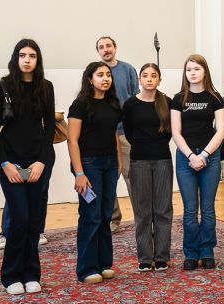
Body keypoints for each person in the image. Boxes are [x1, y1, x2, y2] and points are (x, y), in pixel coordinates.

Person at [0, 39, 56, 295]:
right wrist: (5, 162)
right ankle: (11, 275)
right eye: (22, 55)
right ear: (16, 59)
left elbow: (49, 126)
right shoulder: (3, 85)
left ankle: (31, 273)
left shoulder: (46, 87)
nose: (27, 59)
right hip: (10, 162)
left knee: (34, 220)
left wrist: (41, 160)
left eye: (32, 55)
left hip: (39, 160)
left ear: (38, 60)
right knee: (19, 218)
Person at [67, 60, 124, 284]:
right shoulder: (80, 104)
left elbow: (114, 136)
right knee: (91, 214)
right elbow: (72, 140)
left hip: (110, 162)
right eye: (100, 74)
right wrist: (79, 172)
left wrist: (118, 162)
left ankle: (104, 263)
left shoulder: (113, 104)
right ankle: (87, 268)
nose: (105, 78)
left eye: (108, 74)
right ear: (90, 79)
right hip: (89, 164)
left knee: (105, 213)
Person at [170, 54, 224, 270]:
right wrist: (191, 156)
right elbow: (175, 132)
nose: (192, 73)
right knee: (190, 210)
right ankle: (191, 253)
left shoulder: (215, 97)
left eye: (196, 69)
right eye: (188, 70)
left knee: (209, 209)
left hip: (209, 158)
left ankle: (207, 251)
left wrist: (203, 155)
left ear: (205, 71)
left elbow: (221, 130)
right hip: (186, 158)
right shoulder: (178, 98)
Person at [122, 62, 174, 270]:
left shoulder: (167, 103)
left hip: (162, 160)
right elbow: (129, 133)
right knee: (142, 211)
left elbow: (171, 131)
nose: (150, 79)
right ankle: (144, 258)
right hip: (139, 161)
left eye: (154, 75)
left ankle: (161, 256)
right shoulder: (130, 105)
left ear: (159, 79)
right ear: (139, 80)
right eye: (145, 75)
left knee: (162, 210)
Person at [95, 35, 140, 223]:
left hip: (125, 134)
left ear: (115, 47)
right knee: (108, 179)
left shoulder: (128, 69)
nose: (106, 49)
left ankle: (142, 219)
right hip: (104, 135)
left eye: (108, 45)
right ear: (98, 51)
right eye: (101, 47)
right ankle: (113, 219)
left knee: (133, 178)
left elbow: (136, 99)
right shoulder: (95, 72)